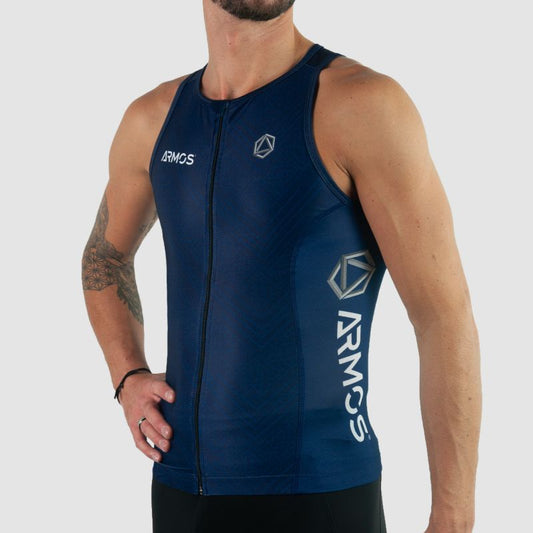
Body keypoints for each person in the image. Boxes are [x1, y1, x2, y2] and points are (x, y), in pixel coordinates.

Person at [81, 1, 482, 532]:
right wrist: (127, 374)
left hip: (321, 493)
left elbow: (442, 315)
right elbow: (105, 256)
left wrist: (453, 517)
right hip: (182, 491)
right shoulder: (153, 120)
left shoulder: (361, 105)